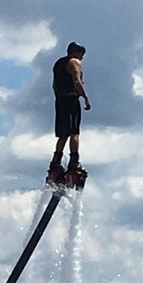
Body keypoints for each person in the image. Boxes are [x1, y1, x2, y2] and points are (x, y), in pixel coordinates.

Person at [48, 42, 91, 185]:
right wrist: (85, 98)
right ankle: (73, 162)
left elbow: (54, 84)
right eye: (82, 54)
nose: (82, 58)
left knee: (63, 134)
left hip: (59, 99)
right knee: (74, 132)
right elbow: (77, 81)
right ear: (76, 52)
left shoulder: (58, 63)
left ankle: (55, 162)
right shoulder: (74, 62)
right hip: (71, 99)